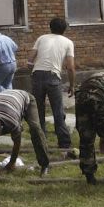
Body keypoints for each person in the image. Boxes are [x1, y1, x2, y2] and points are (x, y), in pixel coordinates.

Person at [29, 17, 76, 150]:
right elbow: (71, 67)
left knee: (38, 111)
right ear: (64, 29)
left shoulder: (41, 38)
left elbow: (30, 59)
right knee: (58, 111)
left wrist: (32, 71)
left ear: (50, 27)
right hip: (53, 77)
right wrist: (72, 85)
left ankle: (40, 142)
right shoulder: (68, 42)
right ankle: (64, 143)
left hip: (37, 74)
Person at [0, 87, 51, 176]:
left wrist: (12, 162)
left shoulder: (11, 121)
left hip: (26, 98)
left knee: (35, 128)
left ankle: (45, 164)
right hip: (7, 100)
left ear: (2, 129)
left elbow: (17, 142)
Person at [0, 25, 19, 92]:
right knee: (8, 84)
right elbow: (15, 48)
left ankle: (7, 95)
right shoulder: (7, 38)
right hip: (13, 64)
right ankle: (11, 98)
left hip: (3, 65)